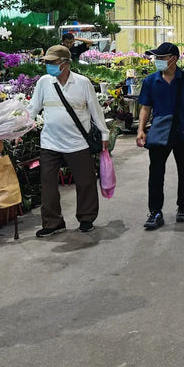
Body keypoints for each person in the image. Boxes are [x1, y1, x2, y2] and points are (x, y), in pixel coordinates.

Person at [27, 45, 109, 237]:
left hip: (77, 142)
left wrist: (104, 134)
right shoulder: (44, 83)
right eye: (47, 63)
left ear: (65, 63)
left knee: (85, 181)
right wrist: (20, 129)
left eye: (52, 63)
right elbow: (32, 109)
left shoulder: (82, 83)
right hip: (50, 142)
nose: (49, 66)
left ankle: (86, 218)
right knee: (47, 184)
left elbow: (95, 111)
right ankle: (53, 222)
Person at [136, 42, 184, 229]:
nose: (157, 61)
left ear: (173, 59)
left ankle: (183, 207)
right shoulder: (151, 81)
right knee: (155, 174)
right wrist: (141, 129)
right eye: (157, 58)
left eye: (161, 58)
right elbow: (145, 107)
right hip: (160, 134)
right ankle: (155, 212)